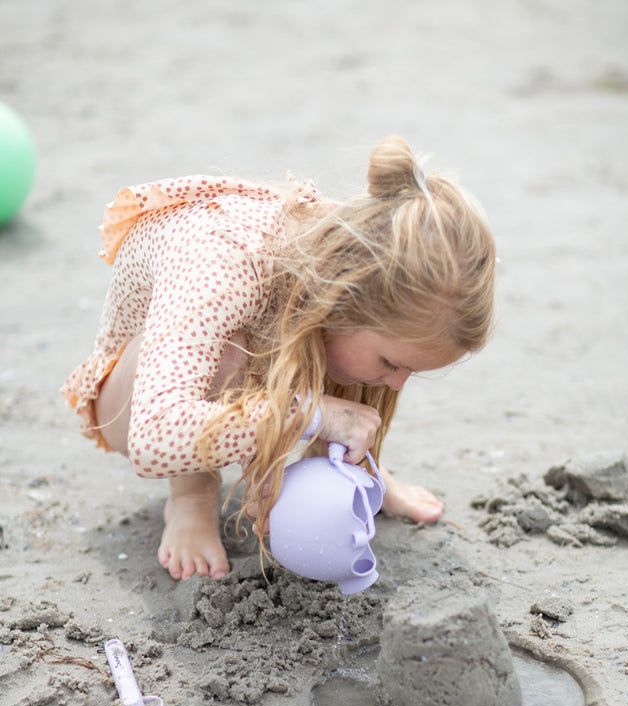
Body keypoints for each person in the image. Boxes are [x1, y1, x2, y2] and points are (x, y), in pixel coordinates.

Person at [61, 136, 496, 582]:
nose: (398, 383)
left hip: (258, 353)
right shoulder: (221, 262)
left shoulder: (355, 245)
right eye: (393, 363)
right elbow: (153, 438)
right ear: (340, 298)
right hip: (137, 401)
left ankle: (356, 464)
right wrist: (307, 413)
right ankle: (192, 495)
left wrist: (330, 421)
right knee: (232, 353)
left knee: (346, 357)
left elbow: (339, 348)